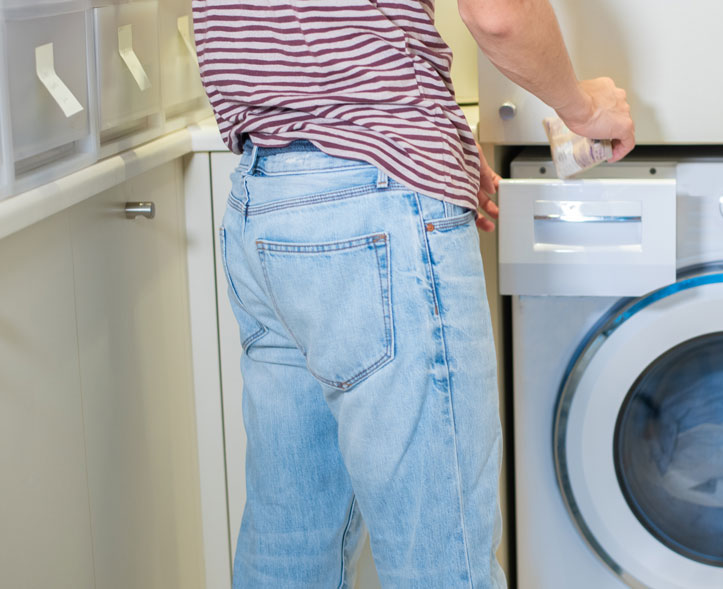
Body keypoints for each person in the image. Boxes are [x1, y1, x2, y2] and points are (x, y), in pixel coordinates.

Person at [191, 0, 635, 585]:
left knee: (293, 542)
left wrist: (439, 139)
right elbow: (498, 13)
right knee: (443, 560)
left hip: (264, 199)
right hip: (372, 207)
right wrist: (583, 107)